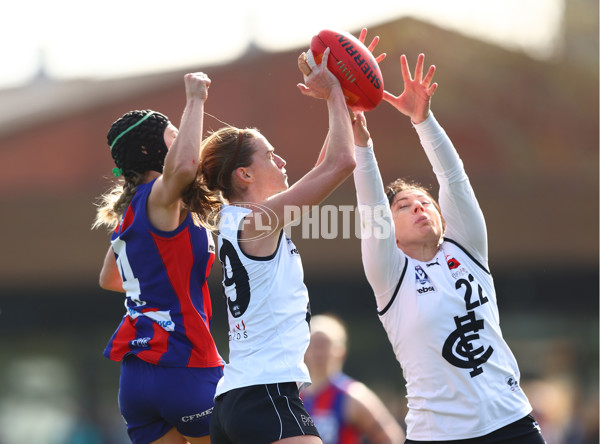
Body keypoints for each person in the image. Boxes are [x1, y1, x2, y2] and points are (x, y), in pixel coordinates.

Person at [351, 52, 547, 443]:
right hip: (437, 435)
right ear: (389, 229)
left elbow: (453, 178)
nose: (419, 207)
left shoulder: (468, 250)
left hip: (512, 422)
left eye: (425, 202)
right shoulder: (390, 276)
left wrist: (422, 119)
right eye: (404, 206)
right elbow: (372, 205)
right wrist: (362, 145)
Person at [201, 47, 356, 444]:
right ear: (245, 173)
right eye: (271, 155)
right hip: (266, 394)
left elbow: (325, 166)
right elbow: (341, 163)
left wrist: (339, 105)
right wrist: (335, 92)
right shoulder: (258, 222)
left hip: (237, 399)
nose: (283, 161)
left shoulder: (242, 221)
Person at [92, 72, 224, 444]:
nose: (181, 139)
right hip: (184, 364)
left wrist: (156, 284)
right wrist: (195, 99)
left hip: (137, 379)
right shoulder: (159, 198)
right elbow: (183, 168)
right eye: (172, 134)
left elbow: (109, 278)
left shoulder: (131, 211)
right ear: (152, 151)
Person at [301, 314, 406, 444]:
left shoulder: (353, 395)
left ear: (341, 351)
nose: (318, 352)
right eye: (313, 344)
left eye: (324, 344)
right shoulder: (292, 396)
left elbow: (392, 439)